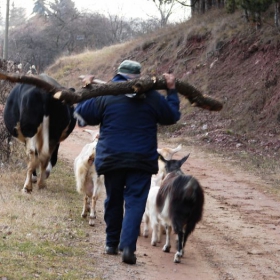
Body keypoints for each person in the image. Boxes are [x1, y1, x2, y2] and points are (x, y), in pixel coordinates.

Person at [74, 60, 181, 264]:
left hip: (112, 158)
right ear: (139, 76)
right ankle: (128, 249)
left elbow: (81, 117)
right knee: (135, 203)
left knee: (113, 199)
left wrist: (88, 88)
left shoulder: (106, 94)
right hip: (141, 160)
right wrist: (172, 90)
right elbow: (172, 116)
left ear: (118, 74)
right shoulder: (152, 97)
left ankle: (111, 243)